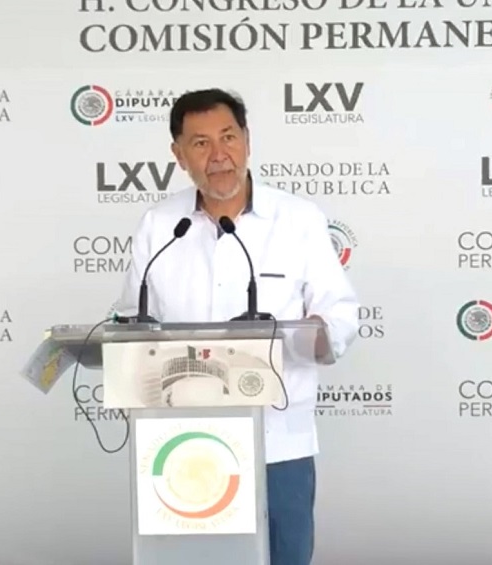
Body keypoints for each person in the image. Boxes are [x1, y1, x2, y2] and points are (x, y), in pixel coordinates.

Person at [115, 88, 360, 565]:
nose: (219, 154)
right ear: (179, 154)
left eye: (228, 137)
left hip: (278, 441)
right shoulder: (159, 225)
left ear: (247, 140)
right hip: (182, 446)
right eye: (200, 143)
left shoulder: (298, 219)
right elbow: (131, 323)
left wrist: (316, 331)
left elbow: (340, 315)